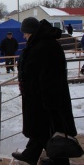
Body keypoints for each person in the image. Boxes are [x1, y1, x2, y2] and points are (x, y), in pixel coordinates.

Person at [12, 18, 77, 165]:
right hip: (40, 97)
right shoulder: (41, 44)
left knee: (53, 130)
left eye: (25, 33)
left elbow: (51, 76)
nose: (24, 36)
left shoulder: (46, 46)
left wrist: (49, 102)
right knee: (43, 129)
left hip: (46, 99)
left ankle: (59, 160)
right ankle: (32, 154)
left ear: (31, 31)